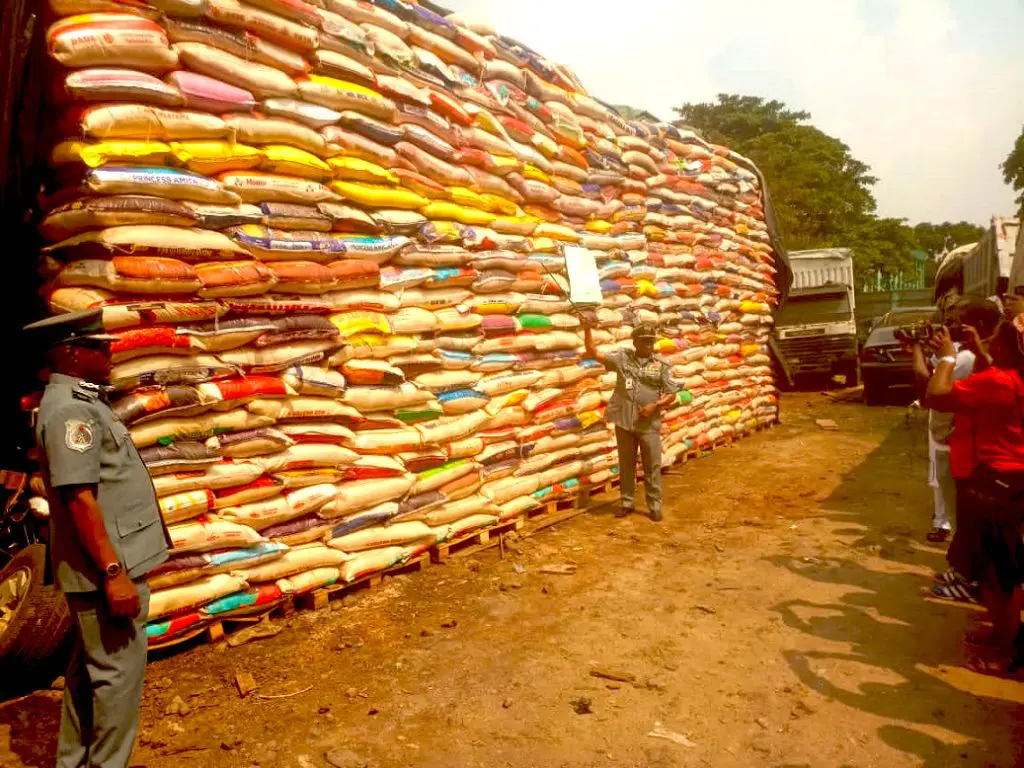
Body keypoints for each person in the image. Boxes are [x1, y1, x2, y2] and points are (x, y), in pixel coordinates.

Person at [24, 309, 170, 768]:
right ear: (70, 354)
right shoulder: (71, 410)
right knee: (118, 682)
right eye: (98, 346)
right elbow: (79, 500)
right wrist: (113, 573)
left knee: (90, 675)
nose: (109, 352)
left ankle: (73, 762)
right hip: (106, 569)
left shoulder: (83, 401)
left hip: (107, 564)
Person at [924, 317, 1024, 670]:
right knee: (995, 570)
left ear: (1010, 349)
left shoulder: (999, 383)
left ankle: (1010, 650)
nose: (989, 342)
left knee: (1002, 575)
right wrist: (979, 347)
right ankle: (1002, 636)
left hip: (998, 485)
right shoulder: (1012, 378)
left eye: (996, 338)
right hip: (1010, 483)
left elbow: (935, 395)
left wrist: (949, 358)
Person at [908, 298, 1001, 543]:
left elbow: (929, 389)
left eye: (960, 322)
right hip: (957, 436)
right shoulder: (973, 354)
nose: (953, 325)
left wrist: (939, 356)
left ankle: (968, 570)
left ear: (977, 325)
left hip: (958, 439)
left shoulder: (967, 358)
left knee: (961, 507)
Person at [582, 317, 677, 521]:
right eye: (644, 341)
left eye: (651, 341)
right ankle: (626, 502)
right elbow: (593, 353)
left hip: (648, 424)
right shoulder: (622, 359)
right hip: (624, 420)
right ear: (635, 343)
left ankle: (654, 505)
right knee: (626, 464)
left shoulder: (661, 365)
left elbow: (672, 393)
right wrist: (587, 329)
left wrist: (655, 405)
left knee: (652, 465)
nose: (648, 344)